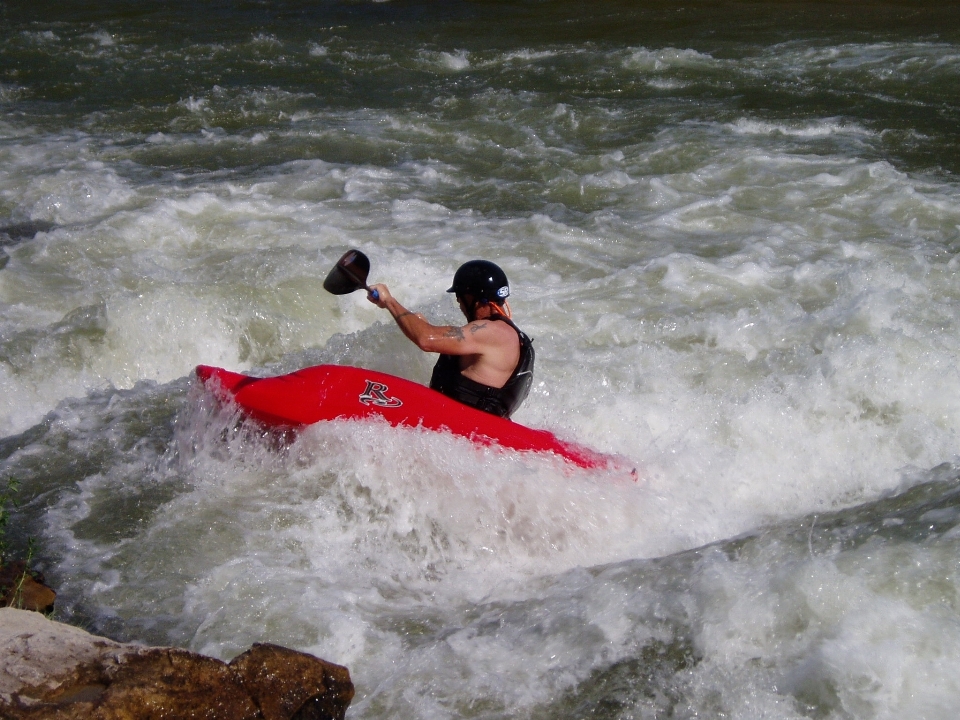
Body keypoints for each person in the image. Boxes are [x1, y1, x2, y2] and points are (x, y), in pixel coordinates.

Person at [367, 260, 534, 418]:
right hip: (474, 431)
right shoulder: (507, 334)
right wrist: (420, 324)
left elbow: (426, 339)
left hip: (465, 429)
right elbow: (433, 335)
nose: (460, 304)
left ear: (473, 299)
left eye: (459, 297)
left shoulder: (491, 332)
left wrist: (389, 301)